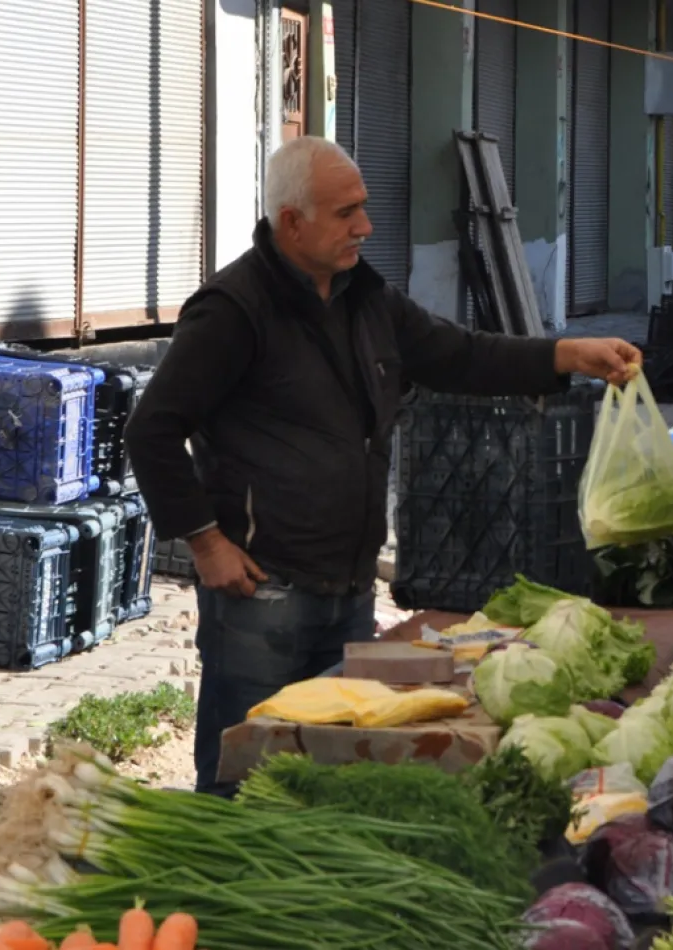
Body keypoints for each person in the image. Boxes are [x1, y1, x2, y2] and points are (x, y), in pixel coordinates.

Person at [123, 137, 641, 796]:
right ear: (292, 222)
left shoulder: (366, 298)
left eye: (363, 210)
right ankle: (214, 896)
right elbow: (153, 429)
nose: (364, 227)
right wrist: (206, 542)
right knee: (243, 775)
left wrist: (566, 355)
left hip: (349, 586)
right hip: (263, 594)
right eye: (346, 213)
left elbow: (460, 355)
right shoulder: (234, 310)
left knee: (327, 776)